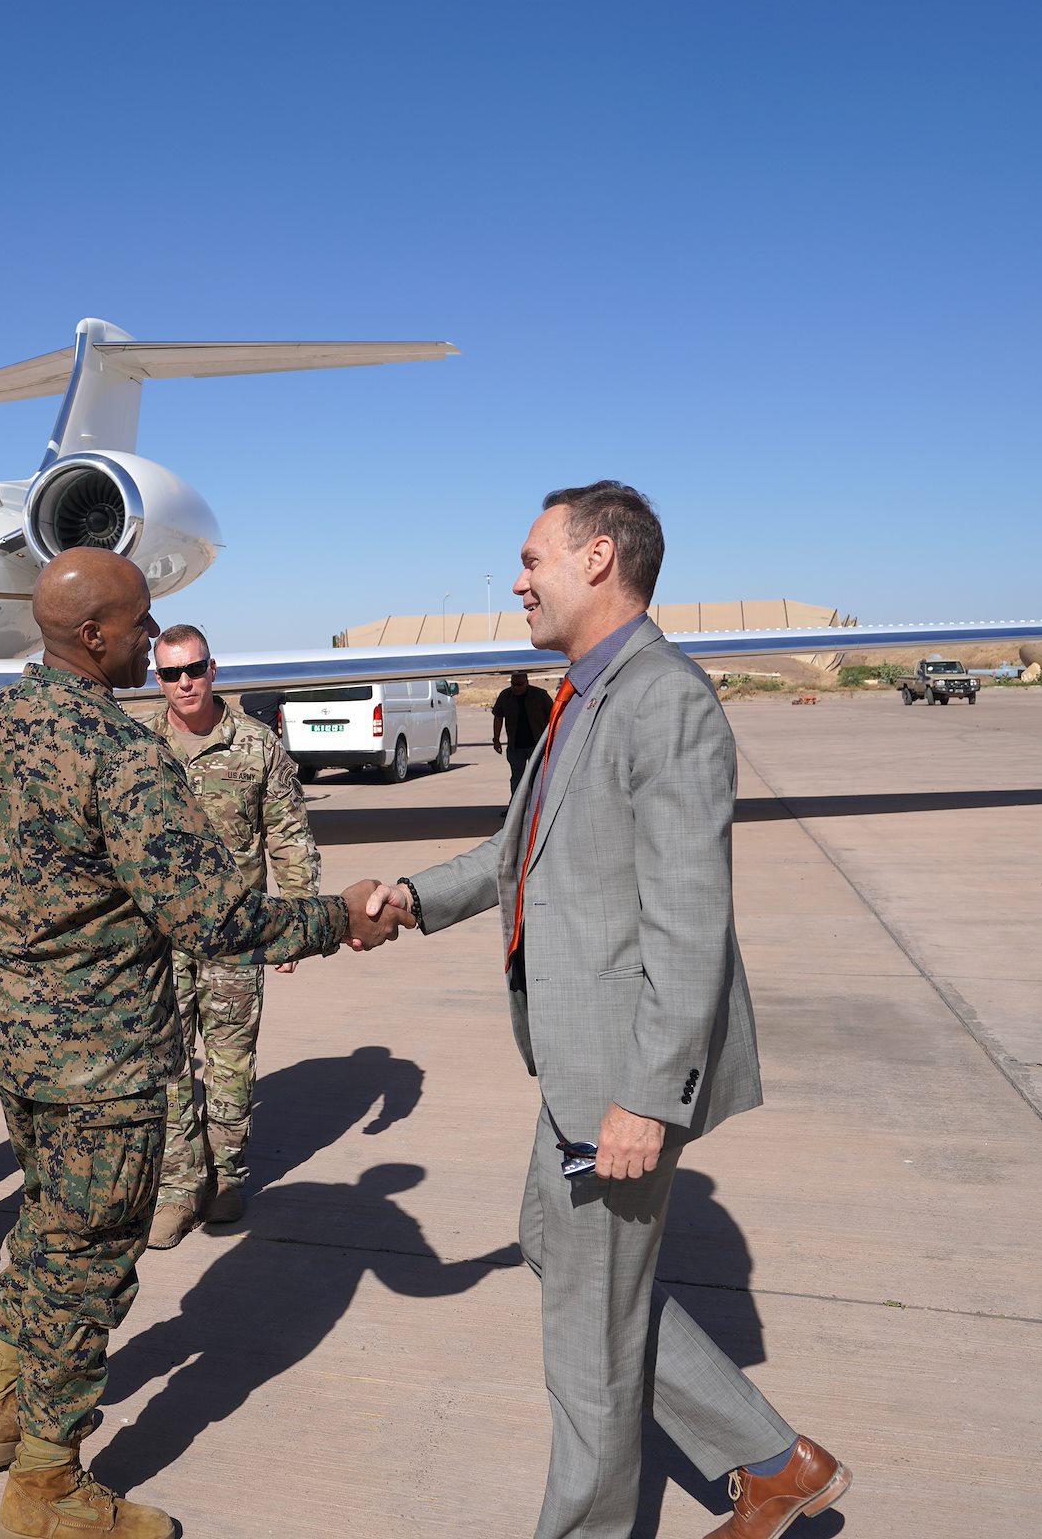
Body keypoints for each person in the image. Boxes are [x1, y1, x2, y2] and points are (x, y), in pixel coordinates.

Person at [372, 484, 849, 1539]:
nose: (515, 579)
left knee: (586, 1338)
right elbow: (522, 858)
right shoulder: (582, 694)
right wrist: (411, 900)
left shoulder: (661, 700)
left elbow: (688, 922)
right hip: (574, 1073)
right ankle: (772, 1461)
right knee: (560, 1258)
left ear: (596, 559)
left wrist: (646, 1098)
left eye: (530, 556)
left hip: (617, 1081)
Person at [0, 548, 401, 1539]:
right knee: (90, 1257)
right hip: (103, 1063)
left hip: (14, 1045)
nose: (149, 640)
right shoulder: (118, 752)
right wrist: (335, 919)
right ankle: (46, 1487)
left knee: (48, 1224)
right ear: (92, 634)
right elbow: (213, 920)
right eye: (140, 625)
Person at [143, 623, 319, 1248]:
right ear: (156, 678)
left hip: (234, 935)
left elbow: (288, 835)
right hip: (157, 939)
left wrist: (296, 924)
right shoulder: (140, 749)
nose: (184, 682)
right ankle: (176, 1186)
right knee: (161, 1062)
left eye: (193, 669)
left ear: (213, 669)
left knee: (229, 1062)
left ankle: (226, 1176)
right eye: (170, 673)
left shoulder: (255, 745)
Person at [491, 669, 555, 799]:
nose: (516, 688)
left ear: (527, 683)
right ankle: (516, 809)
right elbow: (498, 716)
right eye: (513, 684)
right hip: (515, 747)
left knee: (537, 778)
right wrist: (496, 739)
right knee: (517, 778)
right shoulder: (505, 696)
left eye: (519, 685)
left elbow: (554, 716)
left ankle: (536, 808)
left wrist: (553, 739)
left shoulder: (540, 695)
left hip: (537, 746)